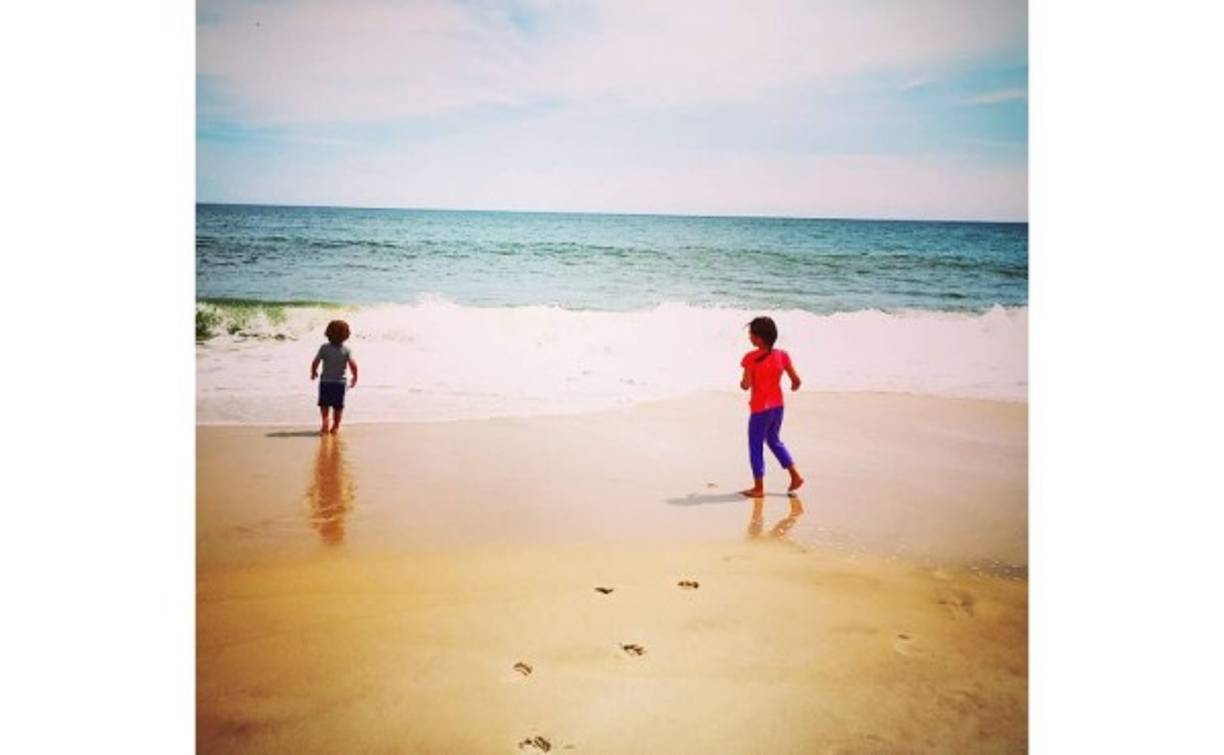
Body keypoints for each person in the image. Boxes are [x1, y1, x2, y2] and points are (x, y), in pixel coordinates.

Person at [739, 316, 803, 497]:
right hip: (778, 407)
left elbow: (746, 385)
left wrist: (743, 381)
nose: (749, 337)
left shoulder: (750, 358)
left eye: (751, 334)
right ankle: (795, 475)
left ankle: (758, 488)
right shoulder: (782, 355)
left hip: (760, 410)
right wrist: (793, 385)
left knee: (755, 445)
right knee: (774, 440)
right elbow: (796, 381)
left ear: (759, 338)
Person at [310, 320, 358, 434]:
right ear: (346, 335)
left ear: (328, 333)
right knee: (338, 406)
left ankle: (325, 421)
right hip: (339, 383)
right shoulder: (346, 350)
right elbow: (353, 364)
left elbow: (315, 361)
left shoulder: (324, 348)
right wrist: (355, 376)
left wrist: (313, 372)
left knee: (324, 404)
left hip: (325, 382)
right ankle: (336, 426)